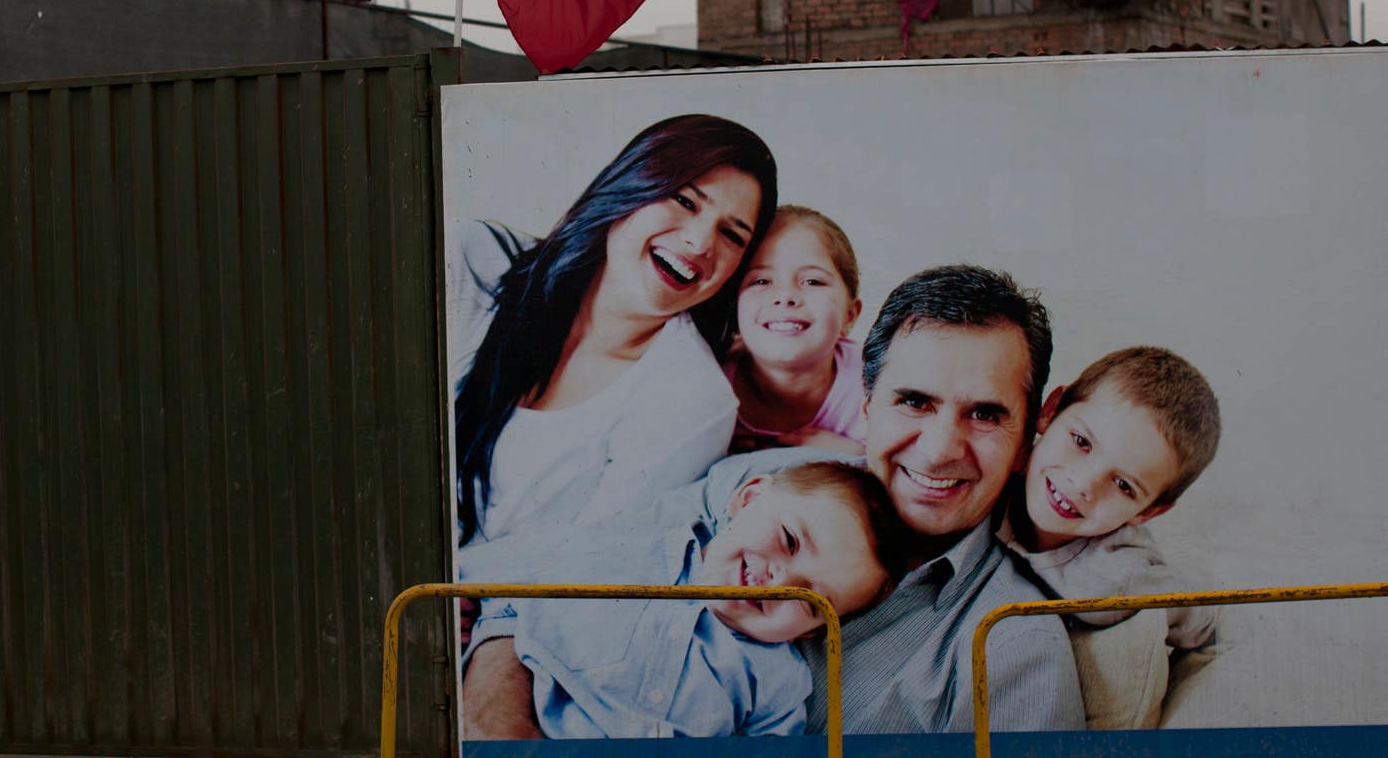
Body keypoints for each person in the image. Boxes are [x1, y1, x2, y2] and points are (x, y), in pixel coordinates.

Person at [463, 265, 1086, 737]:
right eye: (914, 402)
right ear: (867, 406)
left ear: (1028, 436)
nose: (941, 448)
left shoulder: (1013, 645)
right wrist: (497, 727)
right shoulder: (762, 482)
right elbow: (548, 587)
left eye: (985, 414)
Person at [450, 114, 778, 547]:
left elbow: (586, 560)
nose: (700, 243)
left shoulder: (691, 400)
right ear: (631, 185)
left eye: (732, 235)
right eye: (684, 200)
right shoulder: (474, 259)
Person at [465, 462, 909, 738]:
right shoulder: (624, 547)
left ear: (811, 631)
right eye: (789, 540)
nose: (781, 580)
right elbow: (502, 568)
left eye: (809, 600)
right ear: (749, 498)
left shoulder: (778, 684)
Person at [1001, 346, 1222, 649]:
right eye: (1082, 442)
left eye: (1122, 485)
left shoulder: (1122, 577)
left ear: (1148, 512)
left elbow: (1205, 624)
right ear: (1051, 410)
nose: (1083, 484)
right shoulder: (990, 475)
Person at [724, 207, 866, 455]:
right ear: (734, 309)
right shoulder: (710, 381)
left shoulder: (875, 387)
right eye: (761, 281)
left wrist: (858, 458)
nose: (785, 296)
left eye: (812, 281)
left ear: (850, 315)